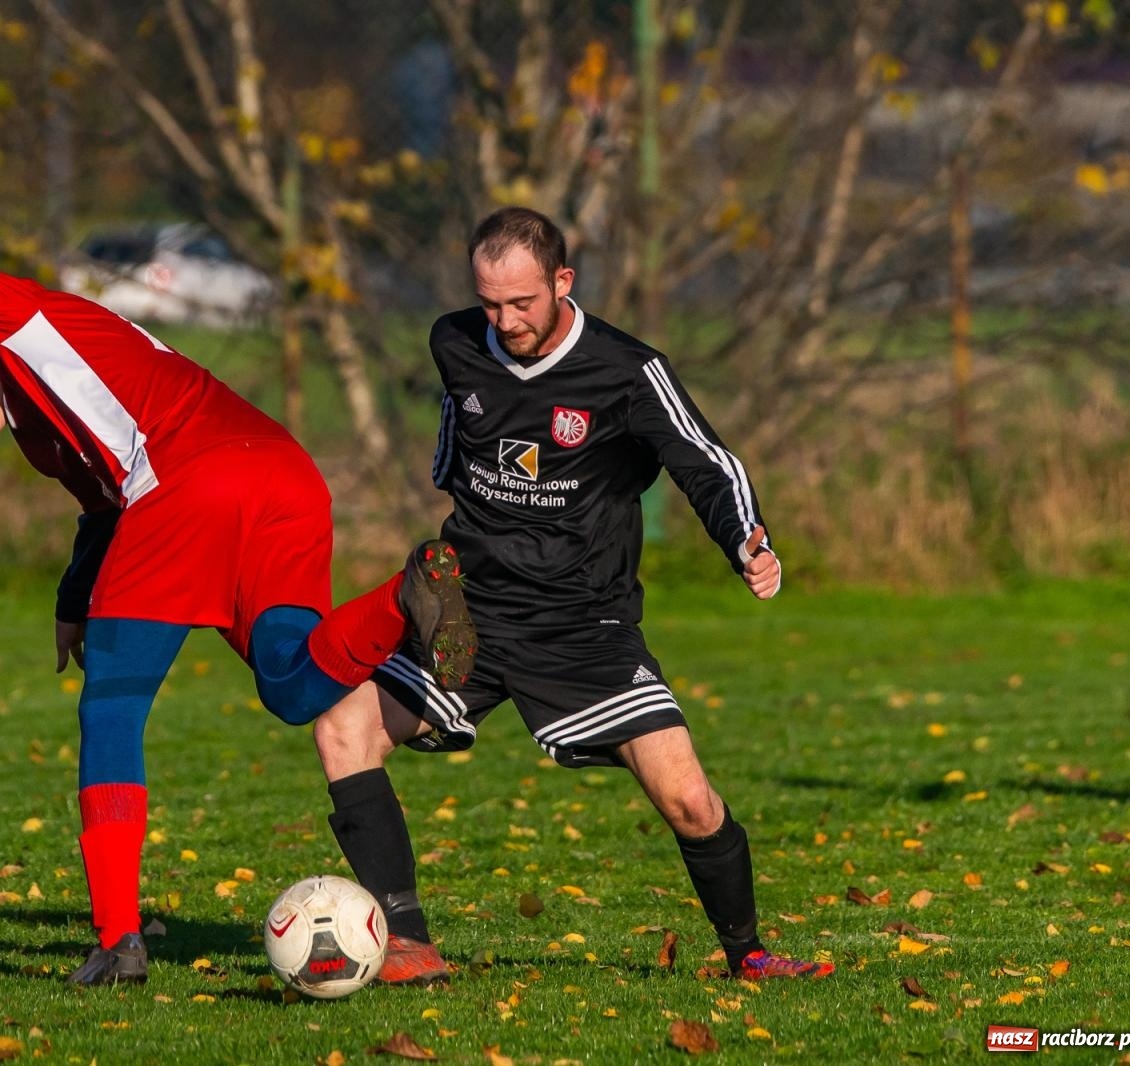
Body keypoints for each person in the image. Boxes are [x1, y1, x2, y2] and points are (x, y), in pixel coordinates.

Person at [0, 133, 476, 987]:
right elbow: (99, 508)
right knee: (294, 684)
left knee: (112, 710)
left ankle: (119, 940)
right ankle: (409, 591)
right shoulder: (44, 435)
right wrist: (73, 600)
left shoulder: (6, 316)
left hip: (192, 480)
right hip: (283, 477)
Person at [315, 206, 833, 985]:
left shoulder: (626, 371)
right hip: (471, 611)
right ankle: (411, 945)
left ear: (563, 281)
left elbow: (703, 459)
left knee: (689, 798)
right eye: (490, 302)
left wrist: (744, 538)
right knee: (343, 731)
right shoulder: (454, 340)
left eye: (522, 302)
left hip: (582, 624)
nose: (506, 320)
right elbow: (460, 435)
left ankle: (749, 954)